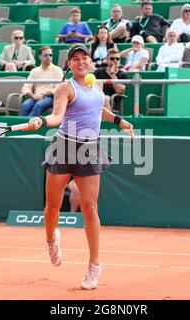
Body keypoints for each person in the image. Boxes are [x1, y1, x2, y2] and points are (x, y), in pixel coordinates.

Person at [21, 44, 135, 290]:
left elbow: (97, 108)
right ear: (69, 65)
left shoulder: (96, 86)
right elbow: (56, 117)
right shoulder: (65, 88)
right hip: (64, 147)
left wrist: (119, 121)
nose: (81, 62)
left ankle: (94, 265)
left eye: (85, 58)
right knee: (52, 206)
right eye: (75, 59)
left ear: (90, 62)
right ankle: (52, 239)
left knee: (90, 207)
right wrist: (40, 120)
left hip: (89, 149)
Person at [20, 46, 63, 116]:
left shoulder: (57, 70)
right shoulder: (34, 71)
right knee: (25, 105)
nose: (48, 57)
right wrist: (33, 95)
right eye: (46, 55)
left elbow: (58, 89)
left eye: (50, 55)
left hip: (50, 97)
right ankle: (22, 125)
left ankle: (28, 126)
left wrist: (44, 94)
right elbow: (26, 88)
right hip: (35, 96)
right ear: (40, 57)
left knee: (39, 105)